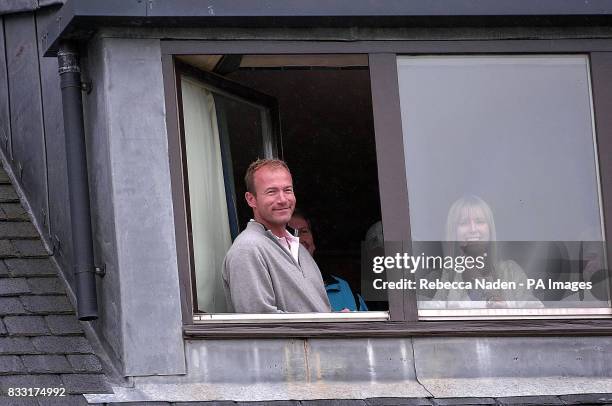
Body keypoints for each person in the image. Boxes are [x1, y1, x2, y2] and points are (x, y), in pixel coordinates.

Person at [222, 159, 331, 313]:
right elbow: (261, 325)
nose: (282, 199)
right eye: (271, 192)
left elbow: (314, 316)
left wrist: (336, 319)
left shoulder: (298, 248)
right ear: (251, 199)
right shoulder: (248, 249)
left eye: (287, 190)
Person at [424, 195, 541, 308]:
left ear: (490, 229)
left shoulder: (510, 271)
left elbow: (536, 311)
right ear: (454, 232)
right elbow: (426, 314)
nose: (473, 229)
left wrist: (507, 308)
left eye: (479, 221)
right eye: (464, 223)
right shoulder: (443, 276)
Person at [289, 210, 368, 312]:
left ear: (314, 243)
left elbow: (368, 326)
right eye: (290, 232)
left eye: (304, 231)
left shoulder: (343, 288)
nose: (298, 239)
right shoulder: (270, 286)